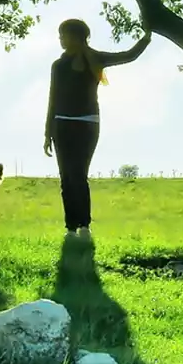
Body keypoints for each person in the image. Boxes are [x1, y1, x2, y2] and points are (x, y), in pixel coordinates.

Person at [44, 18, 152, 240]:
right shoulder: (58, 65)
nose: (60, 39)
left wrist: (147, 37)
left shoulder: (96, 58)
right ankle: (70, 228)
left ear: (76, 37)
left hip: (87, 124)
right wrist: (47, 132)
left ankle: (84, 225)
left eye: (63, 35)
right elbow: (52, 99)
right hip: (61, 124)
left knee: (79, 176)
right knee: (66, 177)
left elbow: (129, 55)